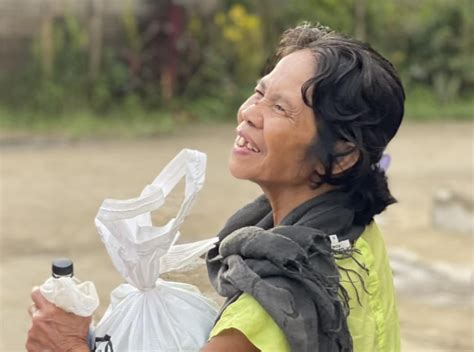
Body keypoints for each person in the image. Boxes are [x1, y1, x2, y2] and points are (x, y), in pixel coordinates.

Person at [26, 23, 404, 352]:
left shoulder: (270, 307)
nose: (248, 113)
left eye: (280, 108)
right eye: (259, 92)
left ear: (341, 156)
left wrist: (67, 346)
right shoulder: (354, 230)